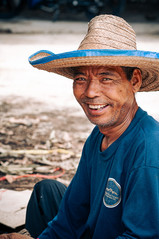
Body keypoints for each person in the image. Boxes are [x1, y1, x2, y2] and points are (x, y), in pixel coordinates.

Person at [1, 14, 159, 239]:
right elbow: (70, 217)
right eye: (81, 79)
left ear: (134, 81)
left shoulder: (148, 151)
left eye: (106, 78)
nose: (91, 92)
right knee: (46, 192)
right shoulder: (99, 136)